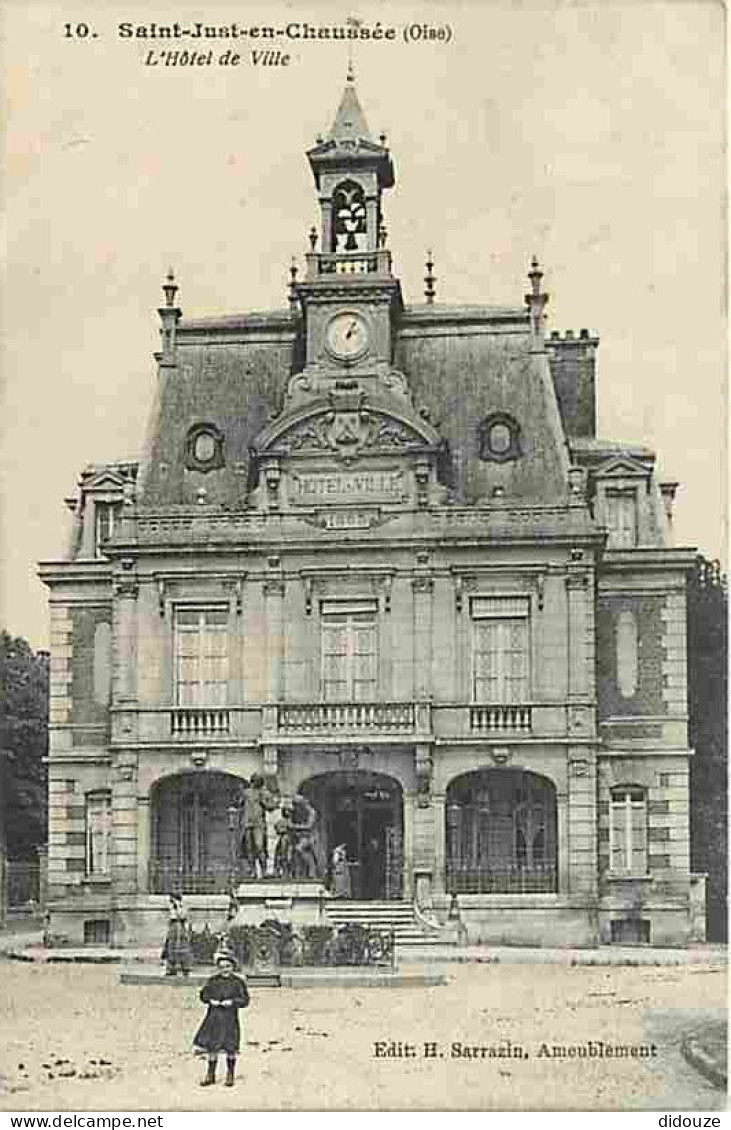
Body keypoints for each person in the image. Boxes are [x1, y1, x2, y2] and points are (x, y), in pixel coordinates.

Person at [193, 944, 250, 1087]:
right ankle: (210, 1074)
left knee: (231, 1047)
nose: (225, 970)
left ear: (233, 967)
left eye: (228, 967)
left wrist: (231, 1002)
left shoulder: (238, 982)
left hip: (230, 1019)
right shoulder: (213, 981)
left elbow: (245, 1000)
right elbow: (203, 995)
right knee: (213, 1047)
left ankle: (230, 1075)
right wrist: (210, 1000)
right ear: (218, 968)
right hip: (214, 1018)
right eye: (222, 967)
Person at [162, 893, 192, 977]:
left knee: (183, 947)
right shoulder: (171, 907)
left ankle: (185, 968)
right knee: (171, 948)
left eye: (173, 899)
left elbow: (182, 916)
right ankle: (171, 968)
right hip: (173, 929)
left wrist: (178, 907)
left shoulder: (183, 907)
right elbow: (170, 918)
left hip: (180, 928)